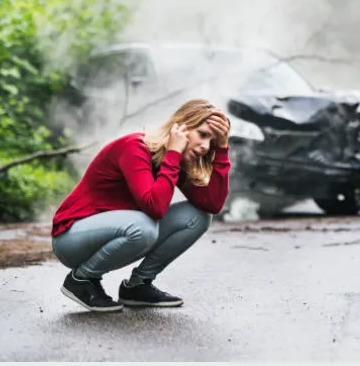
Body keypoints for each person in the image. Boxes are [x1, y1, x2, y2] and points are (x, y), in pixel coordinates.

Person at [51, 98, 231, 312]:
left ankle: (138, 286)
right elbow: (154, 208)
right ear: (181, 127)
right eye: (202, 135)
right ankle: (81, 280)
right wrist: (173, 154)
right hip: (71, 238)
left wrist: (222, 150)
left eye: (212, 141)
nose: (205, 146)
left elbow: (212, 204)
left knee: (198, 217)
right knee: (144, 226)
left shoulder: (178, 162)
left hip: (117, 232)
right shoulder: (135, 147)